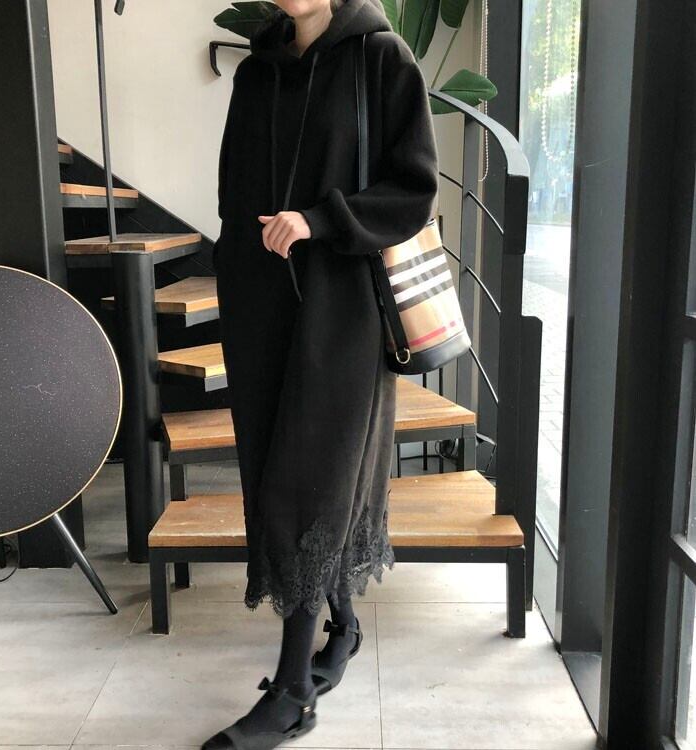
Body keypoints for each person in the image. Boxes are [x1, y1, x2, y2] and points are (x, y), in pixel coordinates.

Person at [204, 0, 439, 746]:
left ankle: (295, 689)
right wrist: (236, 269)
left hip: (342, 307)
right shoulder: (256, 73)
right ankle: (343, 627)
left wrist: (319, 219)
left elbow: (413, 188)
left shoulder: (381, 57)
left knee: (312, 476)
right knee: (274, 466)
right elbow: (234, 189)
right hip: (259, 306)